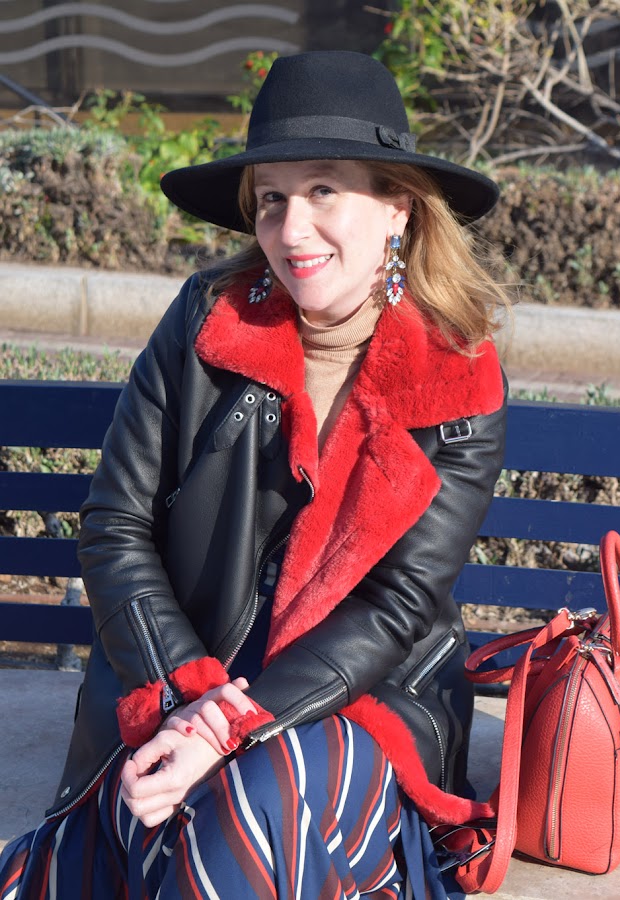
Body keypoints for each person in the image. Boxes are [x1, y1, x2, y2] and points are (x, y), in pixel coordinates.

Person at [0, 50, 509, 899]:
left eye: (322, 191)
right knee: (184, 807)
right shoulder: (208, 322)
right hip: (176, 679)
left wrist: (232, 726)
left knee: (256, 794)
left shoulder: (456, 376)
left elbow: (397, 605)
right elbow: (115, 527)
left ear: (398, 206)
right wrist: (192, 699)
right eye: (271, 198)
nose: (290, 229)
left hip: (355, 700)